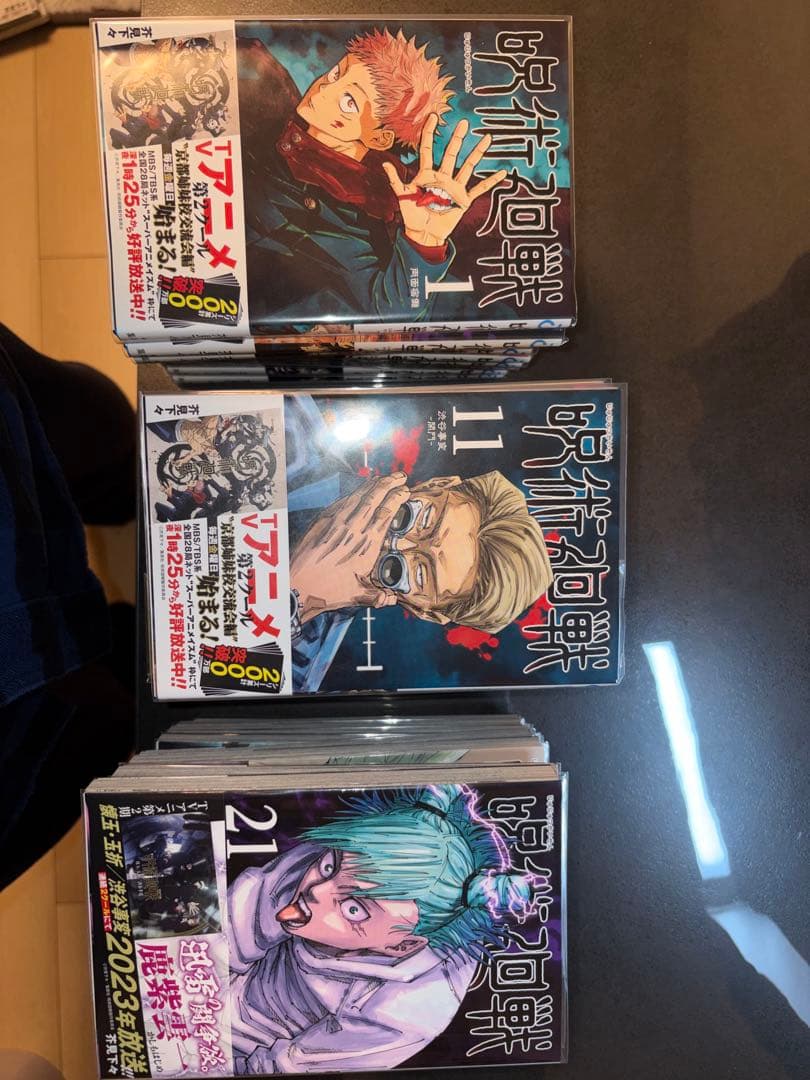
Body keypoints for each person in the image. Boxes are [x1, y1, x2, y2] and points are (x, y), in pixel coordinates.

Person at [227, 783, 534, 1074]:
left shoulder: (406, 1009)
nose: (317, 891)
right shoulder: (338, 858)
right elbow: (234, 923)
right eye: (329, 868)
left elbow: (291, 1067)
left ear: (401, 946)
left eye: (353, 909)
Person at [237, 28, 507, 325]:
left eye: (349, 102)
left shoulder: (352, 211)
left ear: (378, 138)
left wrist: (424, 241)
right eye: (335, 73)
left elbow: (389, 309)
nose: (323, 90)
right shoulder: (275, 109)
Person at [285, 397, 553, 692]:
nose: (391, 542)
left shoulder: (294, 672)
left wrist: (300, 594)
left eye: (415, 572)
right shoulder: (292, 421)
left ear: (427, 612)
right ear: (438, 484)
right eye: (416, 518)